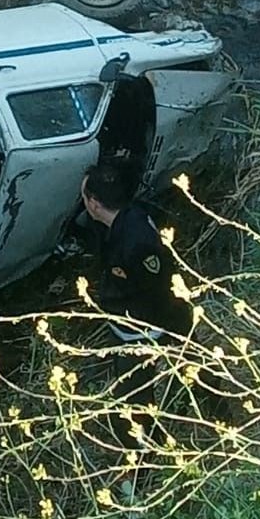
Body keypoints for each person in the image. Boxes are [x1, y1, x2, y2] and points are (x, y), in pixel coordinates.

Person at [79, 162, 193, 418]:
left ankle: (145, 448)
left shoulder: (136, 242)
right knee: (193, 365)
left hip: (143, 329)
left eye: (84, 197)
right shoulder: (125, 219)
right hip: (143, 322)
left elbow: (157, 286)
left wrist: (151, 331)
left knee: (131, 405)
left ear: (94, 203)